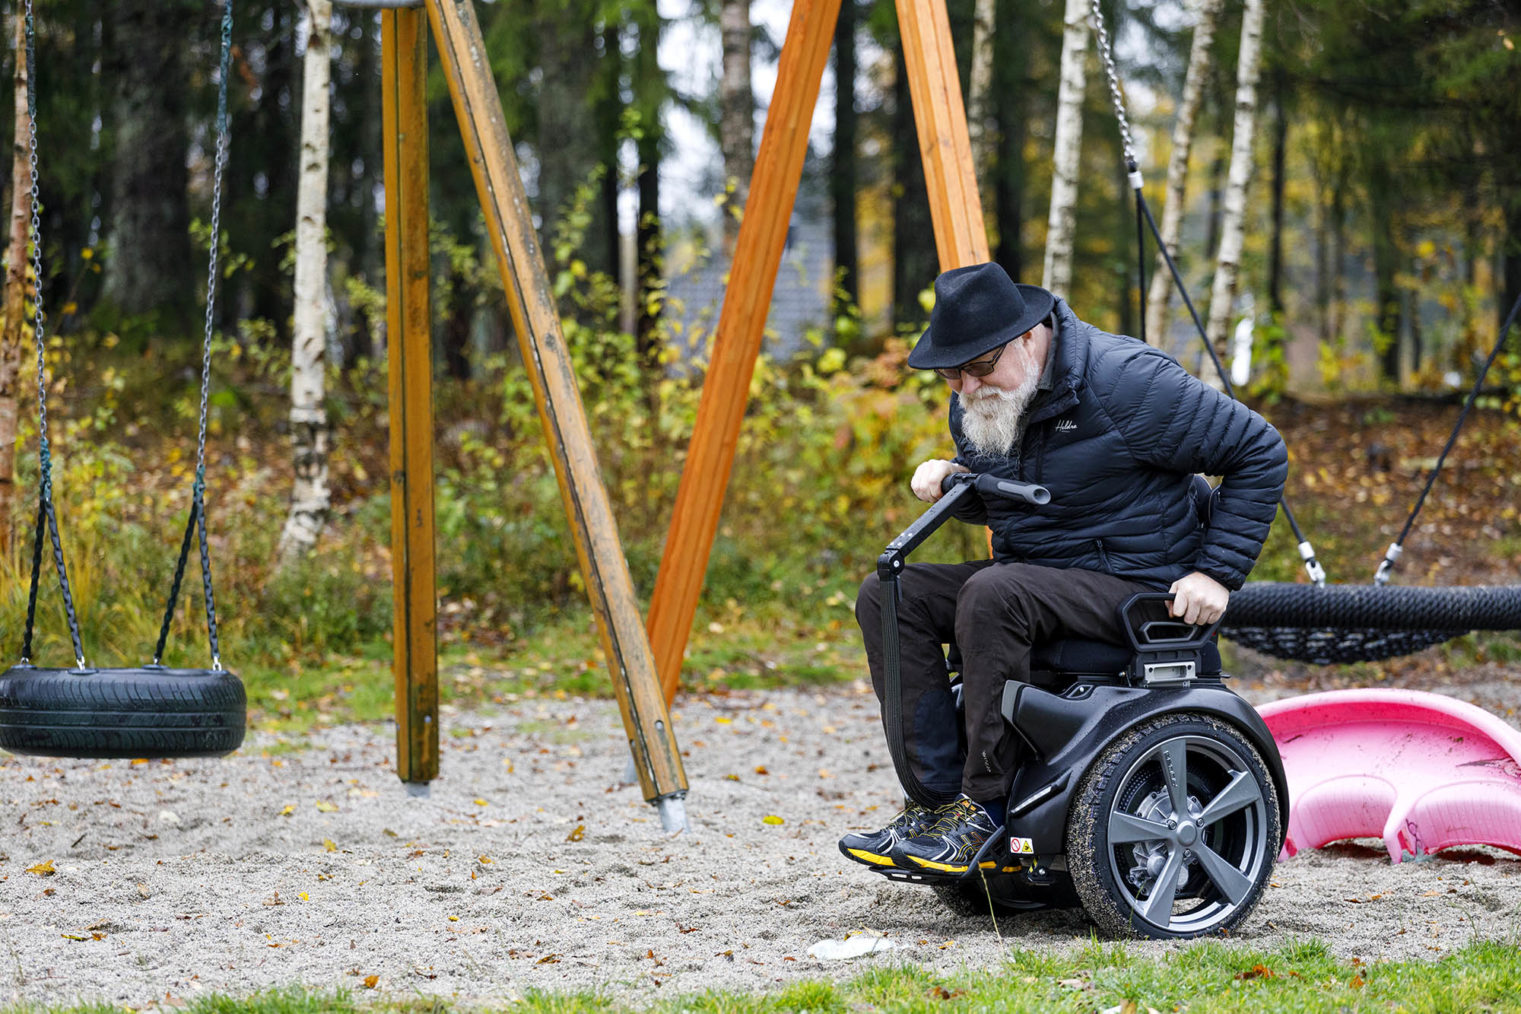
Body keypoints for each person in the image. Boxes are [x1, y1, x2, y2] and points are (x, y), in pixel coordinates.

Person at [839, 262, 1287, 874]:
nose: (966, 388)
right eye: (950, 374)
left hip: (1141, 586)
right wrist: (956, 482)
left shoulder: (1128, 383)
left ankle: (984, 810)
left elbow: (1259, 449)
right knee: (890, 594)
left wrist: (1216, 573)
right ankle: (936, 805)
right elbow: (1029, 498)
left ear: (1028, 337)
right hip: (1041, 580)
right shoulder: (982, 398)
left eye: (978, 368)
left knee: (995, 592)